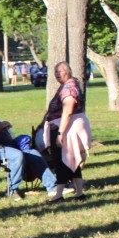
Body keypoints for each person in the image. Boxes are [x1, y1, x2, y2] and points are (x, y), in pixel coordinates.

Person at [0, 86, 54, 201]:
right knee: (17, 155)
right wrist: (2, 125)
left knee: (34, 153)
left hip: (6, 148)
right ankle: (12, 190)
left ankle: (53, 187)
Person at [37, 61, 90, 201]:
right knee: (71, 158)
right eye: (55, 72)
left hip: (64, 128)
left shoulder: (68, 88)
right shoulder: (68, 86)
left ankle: (59, 194)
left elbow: (67, 111)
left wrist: (60, 133)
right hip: (62, 126)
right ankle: (79, 193)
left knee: (61, 160)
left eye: (59, 71)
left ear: (67, 72)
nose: (56, 74)